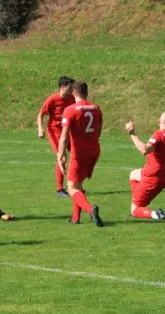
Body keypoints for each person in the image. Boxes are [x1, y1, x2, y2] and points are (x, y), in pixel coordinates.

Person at [57, 81, 104, 226]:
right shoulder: (96, 108)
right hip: (94, 150)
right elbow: (99, 131)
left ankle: (90, 210)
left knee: (71, 187)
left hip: (80, 153)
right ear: (87, 92)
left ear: (74, 93)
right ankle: (75, 218)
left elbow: (64, 136)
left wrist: (61, 155)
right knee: (78, 184)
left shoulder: (71, 109)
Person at [37, 76, 76, 196]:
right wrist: (40, 129)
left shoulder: (72, 99)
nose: (71, 90)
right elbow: (41, 114)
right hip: (55, 131)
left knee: (76, 155)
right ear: (62, 87)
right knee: (62, 157)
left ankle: (74, 185)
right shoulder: (52, 100)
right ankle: (60, 189)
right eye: (70, 88)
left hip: (68, 130)